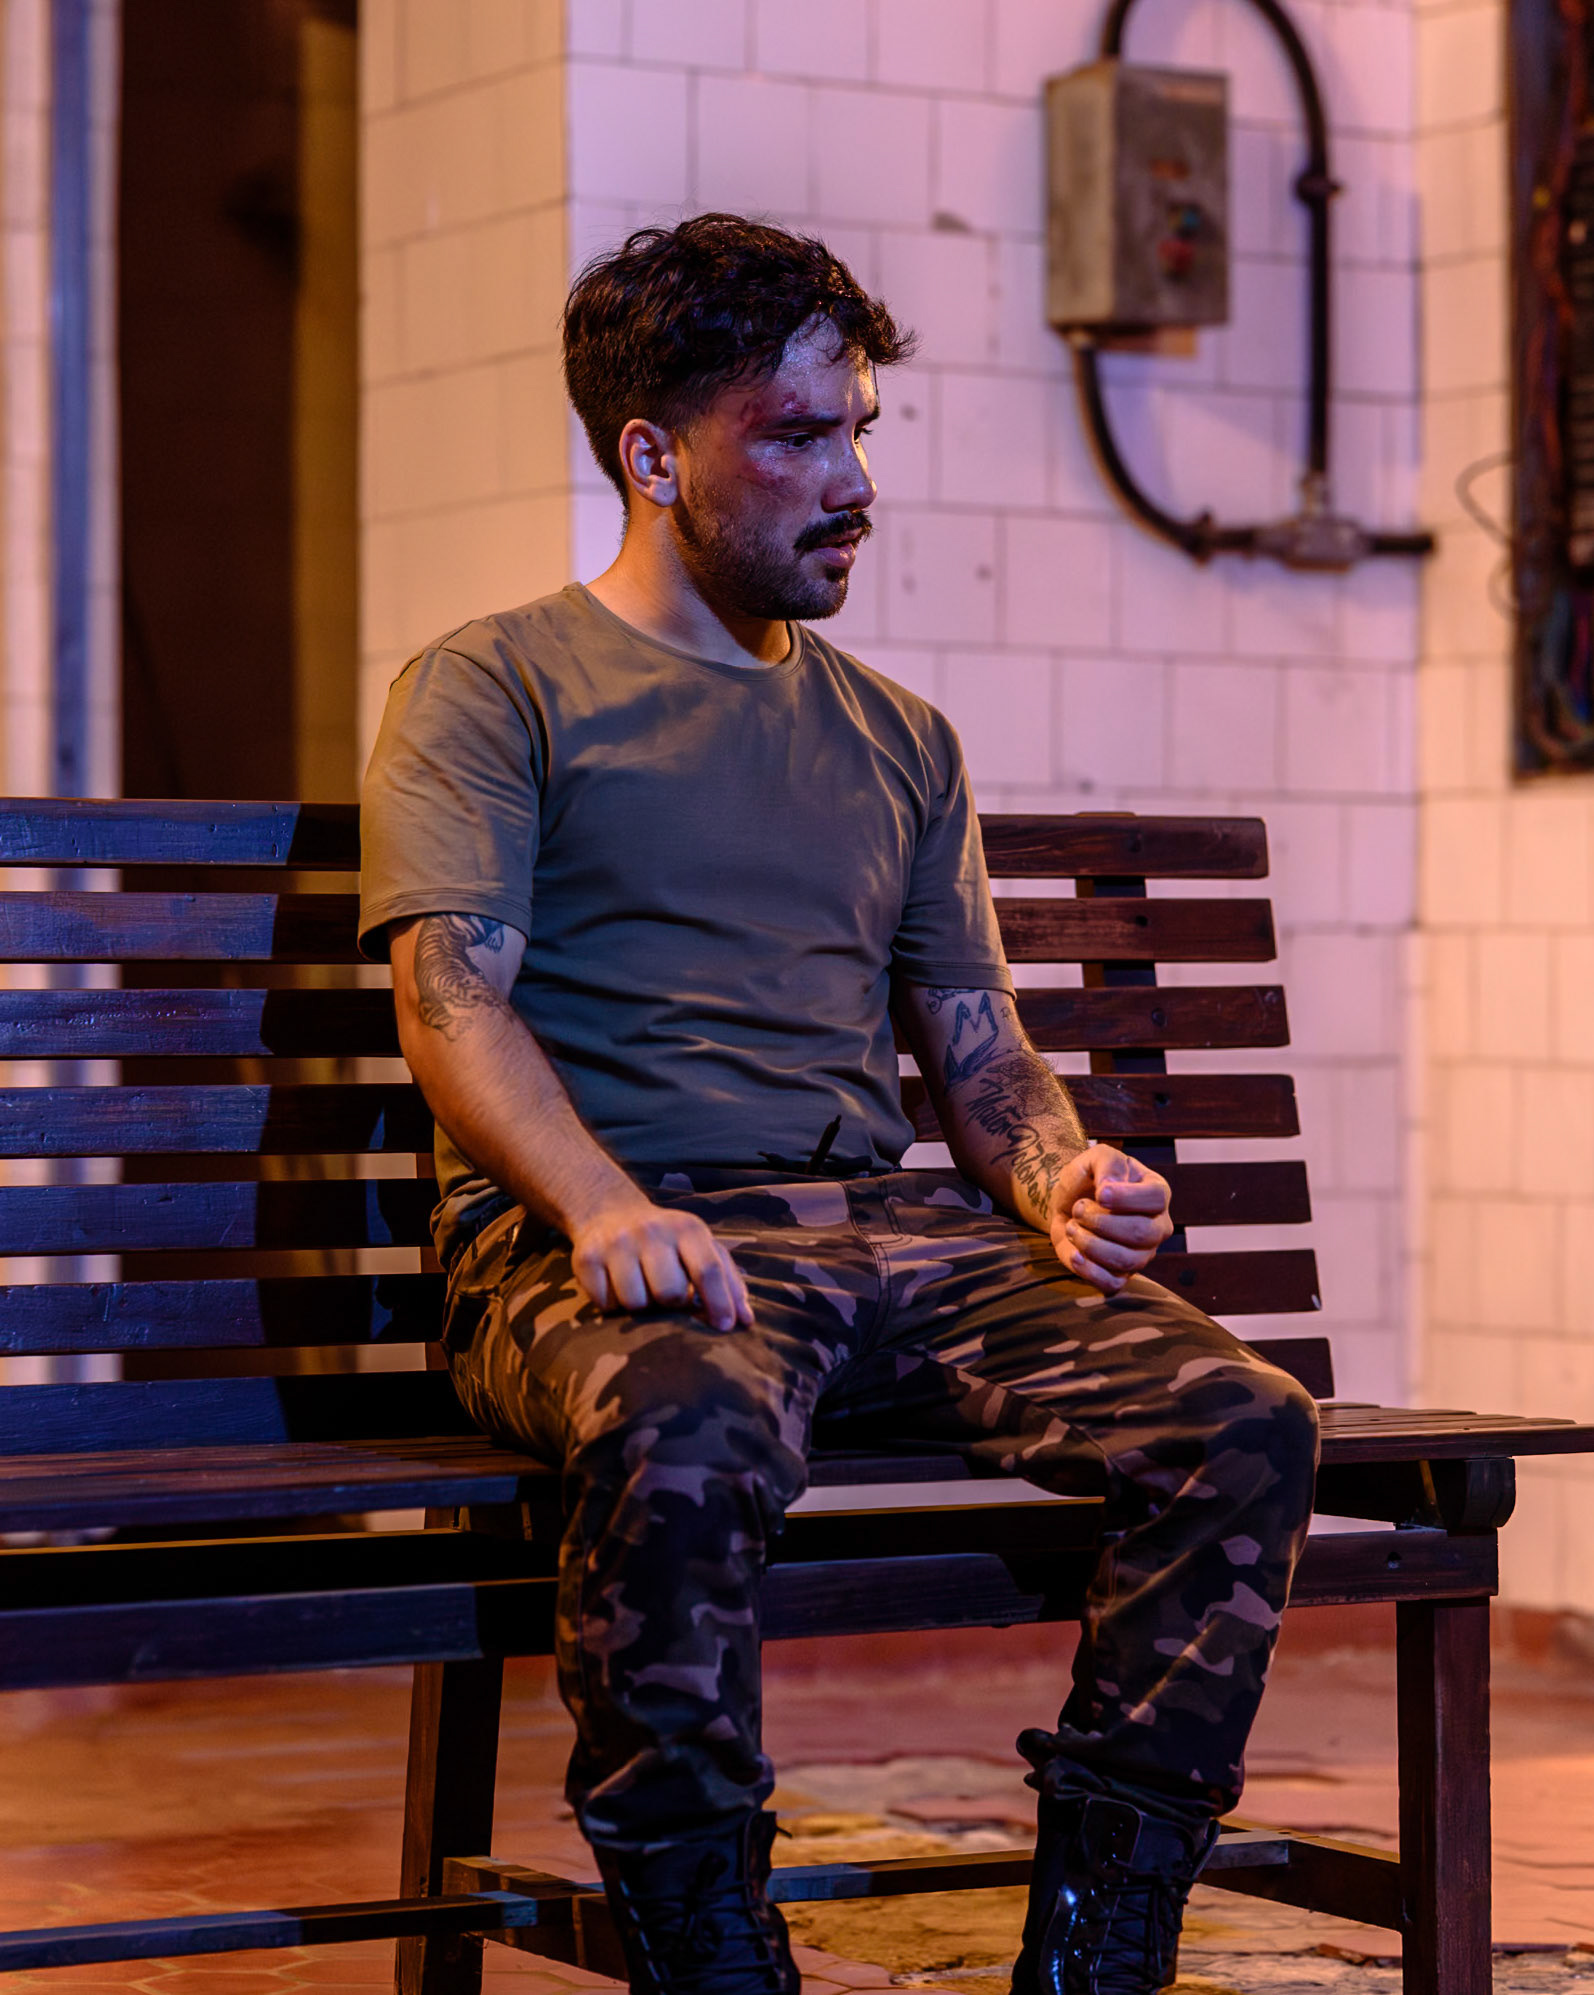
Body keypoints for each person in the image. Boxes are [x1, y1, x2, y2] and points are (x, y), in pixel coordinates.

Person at [359, 214, 1319, 1995]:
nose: (854, 483)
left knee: (1242, 1417)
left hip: (882, 1241)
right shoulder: (494, 687)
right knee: (682, 1424)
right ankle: (715, 1953)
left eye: (859, 430)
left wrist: (1058, 1174)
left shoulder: (902, 737)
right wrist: (602, 1204)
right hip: (599, 1240)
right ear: (654, 457)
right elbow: (450, 999)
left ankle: (1100, 1948)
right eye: (798, 436)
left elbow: (975, 1044)